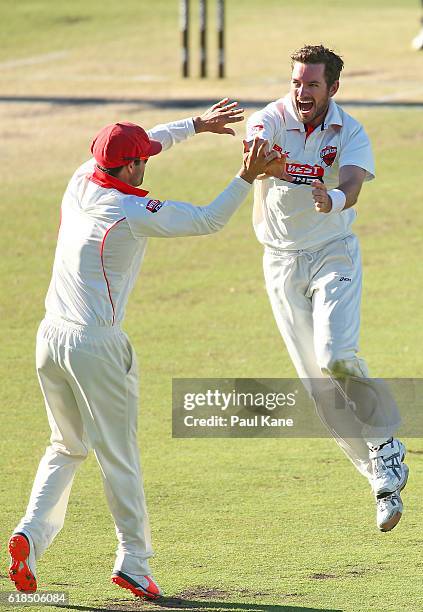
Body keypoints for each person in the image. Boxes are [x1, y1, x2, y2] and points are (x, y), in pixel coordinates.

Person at [8, 100, 276, 598]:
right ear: (129, 166)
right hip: (96, 344)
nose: (148, 160)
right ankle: (133, 560)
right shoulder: (130, 211)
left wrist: (194, 126)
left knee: (66, 446)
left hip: (49, 336)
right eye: (143, 158)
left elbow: (141, 142)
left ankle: (29, 533)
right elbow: (207, 220)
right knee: (120, 456)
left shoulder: (82, 176)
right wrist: (246, 177)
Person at [245, 45, 408, 533]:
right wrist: (273, 164)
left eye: (312, 85)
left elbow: (353, 184)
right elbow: (257, 155)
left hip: (333, 251)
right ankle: (382, 480)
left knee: (336, 356)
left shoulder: (350, 130)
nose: (301, 93)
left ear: (332, 88)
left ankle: (386, 450)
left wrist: (331, 196)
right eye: (296, 83)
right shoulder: (269, 118)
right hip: (280, 261)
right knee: (321, 390)